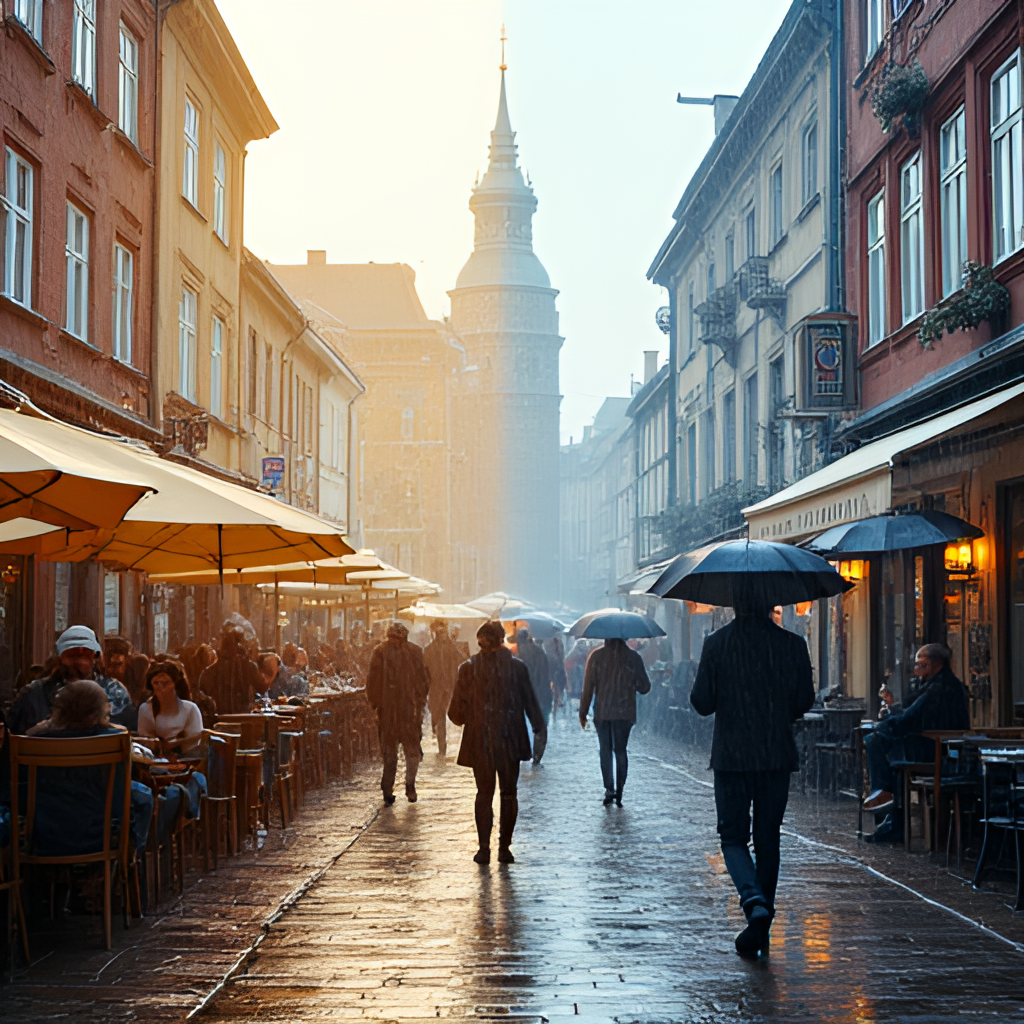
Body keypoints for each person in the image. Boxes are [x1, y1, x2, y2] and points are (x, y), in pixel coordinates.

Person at [690, 593, 815, 959]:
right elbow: (804, 700)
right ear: (770, 605)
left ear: (734, 605)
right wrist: (775, 710)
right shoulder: (792, 643)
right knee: (768, 837)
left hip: (731, 756)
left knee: (732, 837)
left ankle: (753, 899)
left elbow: (701, 703)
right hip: (775, 754)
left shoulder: (717, 643)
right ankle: (763, 920)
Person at [448, 621, 547, 864]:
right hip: (510, 738)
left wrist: (473, 716)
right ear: (501, 640)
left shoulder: (468, 668)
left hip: (481, 739)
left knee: (484, 793)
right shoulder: (517, 668)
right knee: (509, 793)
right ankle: (504, 847)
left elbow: (455, 713)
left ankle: (484, 848)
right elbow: (530, 702)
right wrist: (538, 726)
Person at [24, 679, 153, 859]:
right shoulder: (114, 738)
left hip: (46, 836)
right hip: (100, 836)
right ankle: (131, 860)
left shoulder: (36, 738)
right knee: (143, 796)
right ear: (102, 709)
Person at [862, 643, 970, 843]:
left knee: (878, 743)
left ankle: (885, 800)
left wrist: (887, 723)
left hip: (938, 751)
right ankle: (887, 805)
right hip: (933, 747)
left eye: (920, 665)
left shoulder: (939, 687)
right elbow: (909, 711)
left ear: (932, 665)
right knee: (881, 744)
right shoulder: (934, 684)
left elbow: (911, 716)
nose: (917, 670)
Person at [8, 625, 135, 735]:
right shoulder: (34, 694)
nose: (78, 662)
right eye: (72, 655)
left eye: (84, 655)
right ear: (60, 658)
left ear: (95, 658)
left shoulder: (115, 691)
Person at [579, 637, 651, 805]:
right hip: (625, 713)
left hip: (603, 712)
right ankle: (620, 790)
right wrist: (632, 682)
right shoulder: (633, 657)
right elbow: (645, 687)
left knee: (605, 749)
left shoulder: (596, 657)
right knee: (620, 750)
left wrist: (583, 712)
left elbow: (588, 687)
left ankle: (609, 789)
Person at [365, 621, 430, 805]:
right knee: (409, 751)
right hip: (407, 711)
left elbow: (372, 683)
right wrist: (420, 703)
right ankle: (408, 786)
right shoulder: (414, 651)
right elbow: (424, 682)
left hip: (392, 711)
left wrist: (375, 706)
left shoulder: (380, 651)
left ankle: (389, 788)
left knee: (391, 753)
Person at [137, 659, 207, 819]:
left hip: (186, 768)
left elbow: (194, 745)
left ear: (175, 684)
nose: (161, 688)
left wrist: (172, 747)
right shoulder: (145, 710)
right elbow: (147, 745)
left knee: (196, 781)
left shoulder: (190, 709)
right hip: (156, 768)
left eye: (166, 683)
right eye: (157, 683)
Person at [198, 625, 261, 714]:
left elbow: (261, 689)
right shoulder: (209, 672)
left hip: (240, 719)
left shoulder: (208, 672)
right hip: (227, 721)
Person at [423, 620, 463, 756]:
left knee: (444, 716)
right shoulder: (429, 650)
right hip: (435, 688)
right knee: (438, 716)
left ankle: (443, 747)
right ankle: (441, 744)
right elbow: (425, 670)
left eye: (443, 632)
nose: (442, 635)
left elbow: (462, 660)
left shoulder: (452, 648)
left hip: (449, 686)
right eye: (440, 632)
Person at [516, 628, 553, 750]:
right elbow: (546, 674)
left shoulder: (519, 656)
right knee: (540, 726)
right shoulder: (539, 653)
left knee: (528, 724)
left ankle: (529, 752)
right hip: (540, 694)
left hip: (532, 694)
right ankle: (536, 755)